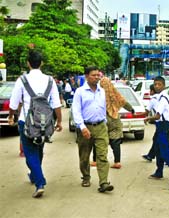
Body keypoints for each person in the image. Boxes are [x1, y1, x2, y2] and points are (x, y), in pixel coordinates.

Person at [8, 50, 63, 198]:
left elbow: (14, 103)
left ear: (28, 63)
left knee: (30, 153)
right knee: (38, 151)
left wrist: (11, 117)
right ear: (42, 63)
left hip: (25, 122)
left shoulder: (22, 80)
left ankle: (40, 182)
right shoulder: (50, 80)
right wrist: (59, 121)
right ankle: (34, 175)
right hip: (45, 123)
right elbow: (56, 103)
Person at [72, 66, 114, 193]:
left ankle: (103, 182)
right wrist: (82, 127)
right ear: (86, 76)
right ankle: (86, 176)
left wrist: (105, 123)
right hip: (85, 127)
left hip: (101, 127)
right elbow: (76, 110)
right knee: (84, 156)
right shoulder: (80, 92)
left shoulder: (102, 91)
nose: (96, 77)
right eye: (93, 75)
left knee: (102, 155)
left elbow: (103, 108)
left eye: (98, 75)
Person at [91, 77, 134, 169]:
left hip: (103, 120)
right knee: (116, 142)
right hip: (114, 119)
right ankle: (117, 162)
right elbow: (124, 102)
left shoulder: (98, 93)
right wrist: (131, 110)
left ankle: (95, 161)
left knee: (98, 140)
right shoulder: (115, 93)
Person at [142, 84, 159, 162]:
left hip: (160, 122)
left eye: (150, 90)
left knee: (159, 140)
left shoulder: (153, 99)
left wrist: (135, 114)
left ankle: (166, 159)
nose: (149, 92)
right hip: (165, 121)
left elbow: (146, 112)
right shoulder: (161, 97)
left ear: (152, 91)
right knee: (157, 139)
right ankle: (150, 155)